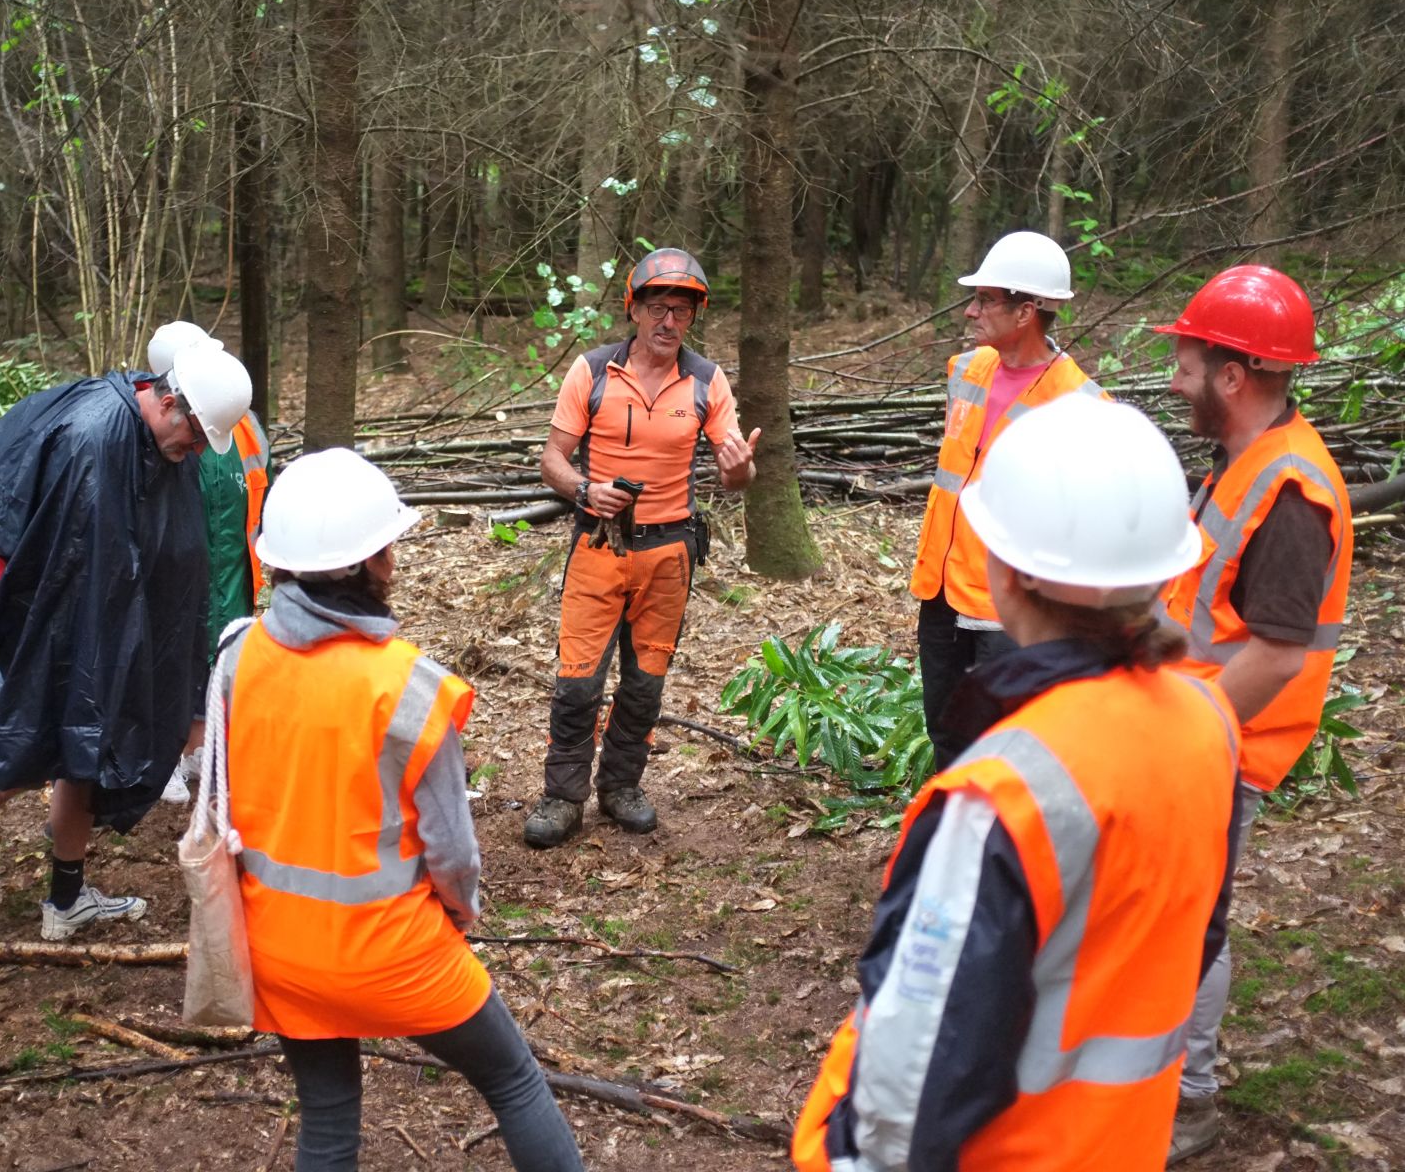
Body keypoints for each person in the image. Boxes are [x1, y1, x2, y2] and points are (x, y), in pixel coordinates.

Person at [791, 396, 1242, 1171]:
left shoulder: (1009, 789)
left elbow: (919, 1061)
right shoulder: (1208, 721)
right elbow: (1190, 941)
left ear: (1011, 572)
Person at [215, 448, 585, 1172]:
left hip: (279, 950)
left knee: (326, 1121)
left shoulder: (234, 658)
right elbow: (453, 856)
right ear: (372, 562)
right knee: (512, 1080)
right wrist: (459, 917)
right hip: (397, 955)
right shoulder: (410, 690)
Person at [0, 347, 250, 940]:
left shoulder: (167, 446)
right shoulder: (91, 436)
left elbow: (177, 553)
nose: (195, 452)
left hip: (117, 621)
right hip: (56, 621)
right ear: (167, 402)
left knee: (89, 752)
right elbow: (52, 547)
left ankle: (66, 898)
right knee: (38, 740)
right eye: (193, 437)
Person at [1156, 265, 1352, 1163]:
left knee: (1194, 920)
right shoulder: (1244, 461)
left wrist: (1180, 737)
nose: (1174, 378)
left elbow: (1275, 651)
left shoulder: (1291, 491)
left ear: (1233, 375)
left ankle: (1188, 1103)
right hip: (1192, 729)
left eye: (1187, 362)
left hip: (1219, 746)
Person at [525, 246, 759, 848]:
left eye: (682, 311)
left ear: (693, 317)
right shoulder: (594, 371)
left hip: (671, 551)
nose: (669, 322)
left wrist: (739, 468)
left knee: (645, 680)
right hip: (600, 545)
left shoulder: (707, 380)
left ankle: (622, 785)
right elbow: (552, 458)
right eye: (658, 307)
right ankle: (562, 796)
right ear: (634, 309)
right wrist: (584, 488)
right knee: (578, 679)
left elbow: (736, 478)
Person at [909, 231, 1106, 769]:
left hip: (1013, 614)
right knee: (946, 734)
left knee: (1007, 751)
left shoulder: (1082, 406)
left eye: (984, 300)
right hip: (942, 593)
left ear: (1026, 312)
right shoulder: (966, 372)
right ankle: (954, 836)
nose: (970, 311)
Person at [145, 322, 270, 808]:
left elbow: (263, 484)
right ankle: (163, 757)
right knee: (169, 661)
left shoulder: (239, 419)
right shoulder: (162, 430)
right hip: (178, 570)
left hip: (234, 569)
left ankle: (199, 748)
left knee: (217, 659)